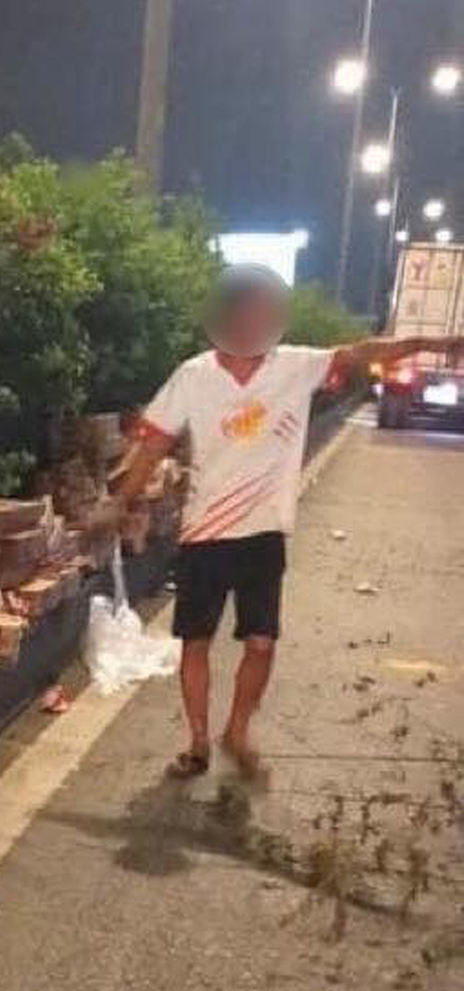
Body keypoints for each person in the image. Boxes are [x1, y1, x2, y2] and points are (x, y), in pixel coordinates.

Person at [110, 264, 450, 782]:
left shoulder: (296, 366)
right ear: (226, 317)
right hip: (204, 533)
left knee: (261, 642)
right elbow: (155, 443)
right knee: (195, 642)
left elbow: (363, 351)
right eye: (244, 313)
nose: (252, 322)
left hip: (264, 534)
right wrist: (120, 502)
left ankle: (237, 729)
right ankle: (198, 742)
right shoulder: (193, 376)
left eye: (261, 313)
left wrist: (430, 341)